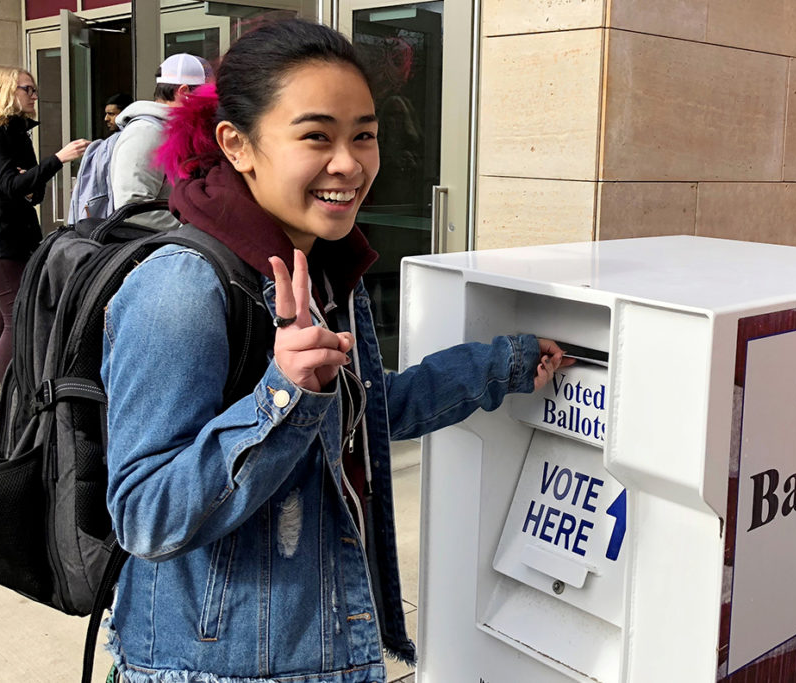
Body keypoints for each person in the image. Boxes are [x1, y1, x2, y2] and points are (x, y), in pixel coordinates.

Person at [100, 19, 569, 682]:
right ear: (238, 145)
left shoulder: (319, 269)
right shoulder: (182, 288)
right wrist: (281, 394)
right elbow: (144, 515)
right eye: (317, 135)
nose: (349, 163)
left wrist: (505, 364)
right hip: (213, 669)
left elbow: (366, 413)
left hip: (317, 650)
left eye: (365, 135)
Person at [0, 65, 89, 413]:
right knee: (17, 319)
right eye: (28, 89)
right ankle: (16, 403)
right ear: (7, 90)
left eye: (34, 90)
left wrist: (29, 182)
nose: (35, 96)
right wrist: (59, 159)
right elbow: (12, 184)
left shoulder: (16, 132)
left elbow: (30, 191)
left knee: (0, 318)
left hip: (13, 235)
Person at [108, 53, 212, 230]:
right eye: (206, 95)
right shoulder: (145, 132)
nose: (210, 104)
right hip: (154, 250)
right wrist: (194, 227)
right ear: (184, 92)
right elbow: (132, 208)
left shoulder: (175, 130)